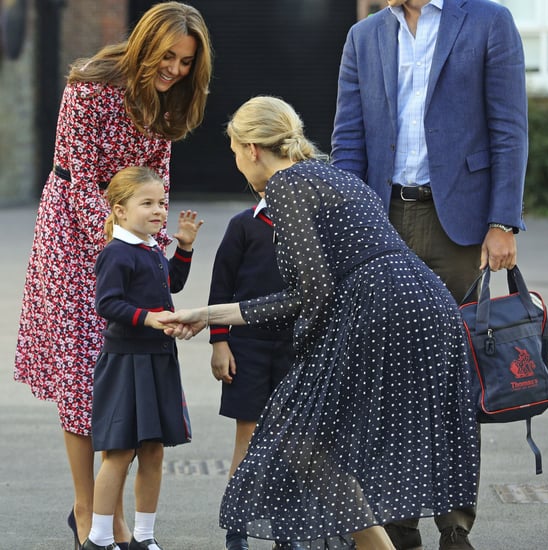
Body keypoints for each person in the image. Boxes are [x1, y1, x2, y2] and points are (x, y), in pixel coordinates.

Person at [158, 95, 480, 550]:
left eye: (234, 152)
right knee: (354, 438)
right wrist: (205, 316)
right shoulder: (331, 176)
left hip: (379, 309)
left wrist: (210, 316)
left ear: (252, 148)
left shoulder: (286, 185)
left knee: (301, 436)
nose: (237, 165)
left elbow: (312, 294)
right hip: (427, 304)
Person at [13, 3, 212, 548]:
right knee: (84, 378)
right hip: (75, 237)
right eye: (167, 56)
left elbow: (158, 184)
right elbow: (77, 178)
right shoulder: (91, 85)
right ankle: (89, 513)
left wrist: (153, 251)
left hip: (130, 236)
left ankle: (111, 512)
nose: (174, 69)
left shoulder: (170, 99)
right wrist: (118, 251)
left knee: (122, 375)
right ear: (146, 43)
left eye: (186, 61)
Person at [330, 1, 528, 548]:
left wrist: (502, 221)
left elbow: (509, 127)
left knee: (456, 377)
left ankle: (454, 524)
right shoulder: (364, 35)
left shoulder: (488, 21)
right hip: (382, 221)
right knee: (388, 376)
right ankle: (397, 520)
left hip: (461, 226)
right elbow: (348, 137)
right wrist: (349, 225)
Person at [81, 166, 203, 550]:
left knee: (152, 451)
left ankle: (144, 538)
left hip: (157, 360)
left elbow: (173, 284)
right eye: (147, 203)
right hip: (125, 363)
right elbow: (107, 303)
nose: (158, 210)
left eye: (162, 202)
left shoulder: (151, 248)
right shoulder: (117, 253)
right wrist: (148, 318)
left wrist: (183, 248)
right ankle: (99, 541)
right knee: (119, 452)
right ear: (119, 210)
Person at [208, 192, 295, 550]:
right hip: (248, 346)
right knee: (248, 433)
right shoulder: (243, 225)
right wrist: (219, 342)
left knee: (292, 441)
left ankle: (288, 529)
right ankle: (237, 528)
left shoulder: (309, 227)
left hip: (296, 346)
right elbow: (221, 286)